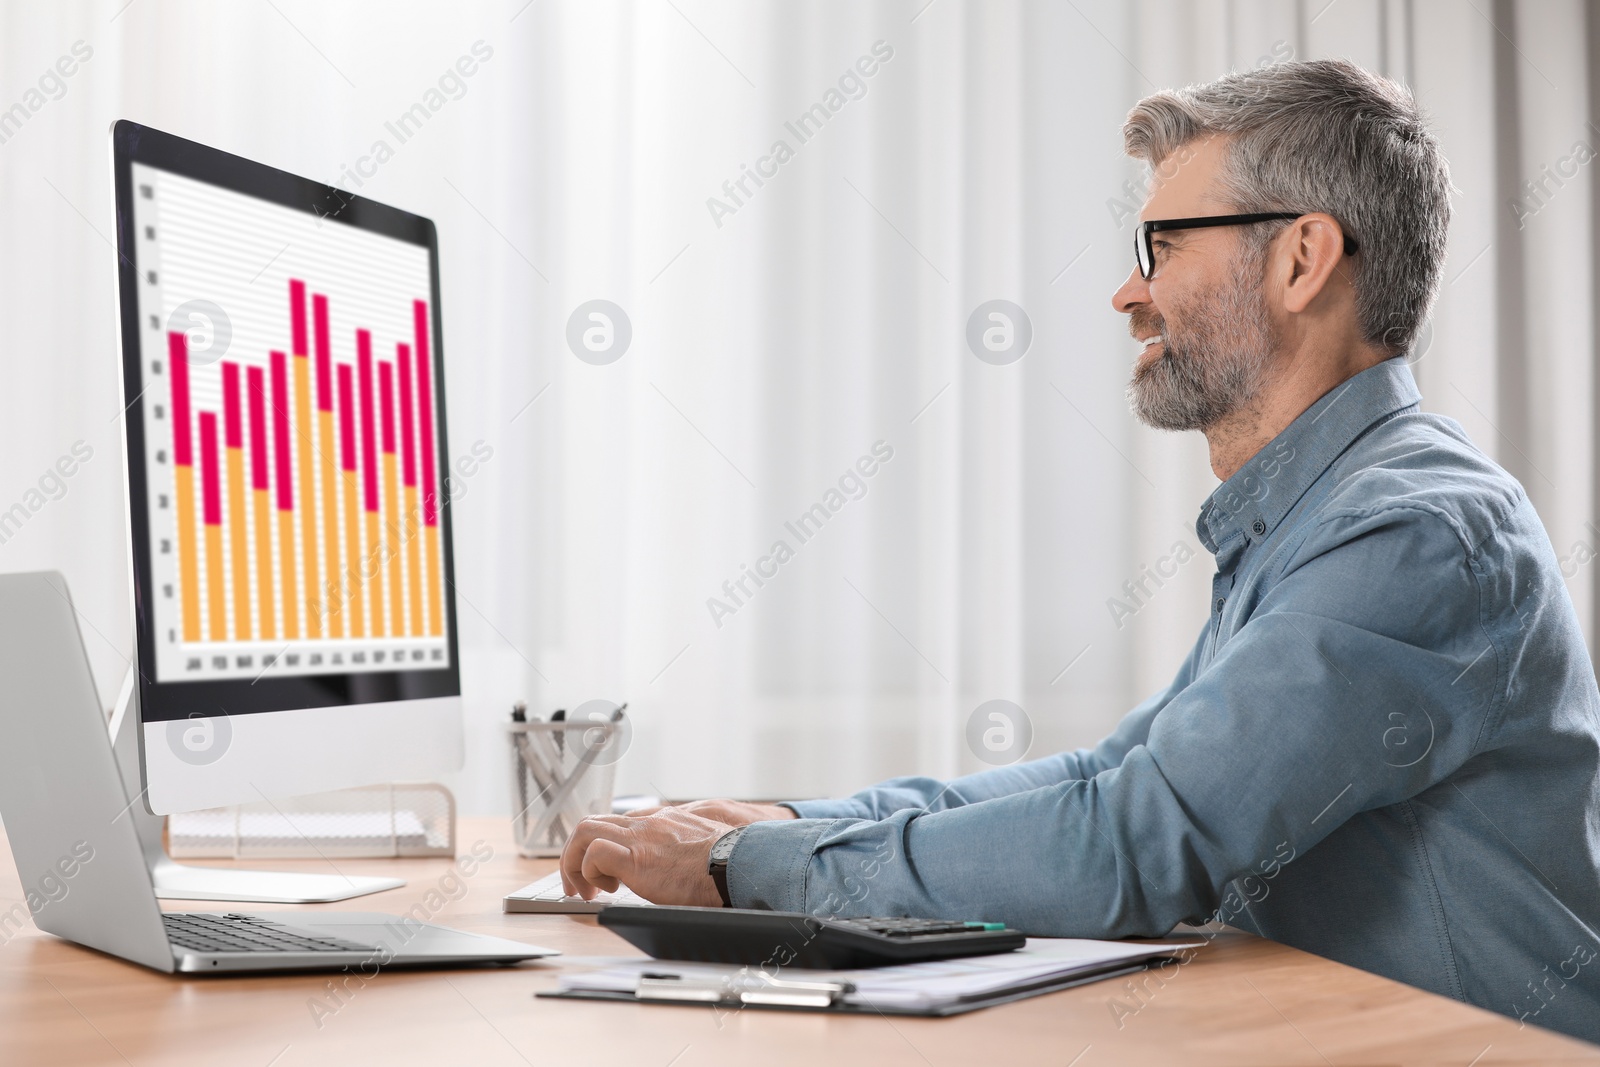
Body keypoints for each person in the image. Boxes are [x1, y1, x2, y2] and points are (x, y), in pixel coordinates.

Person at [561, 58, 1600, 1041]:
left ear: (1300, 258)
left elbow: (1138, 842)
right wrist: (784, 819)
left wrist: (748, 863)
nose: (1127, 292)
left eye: (1163, 246)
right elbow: (1119, 775)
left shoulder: (1413, 534)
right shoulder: (1319, 517)